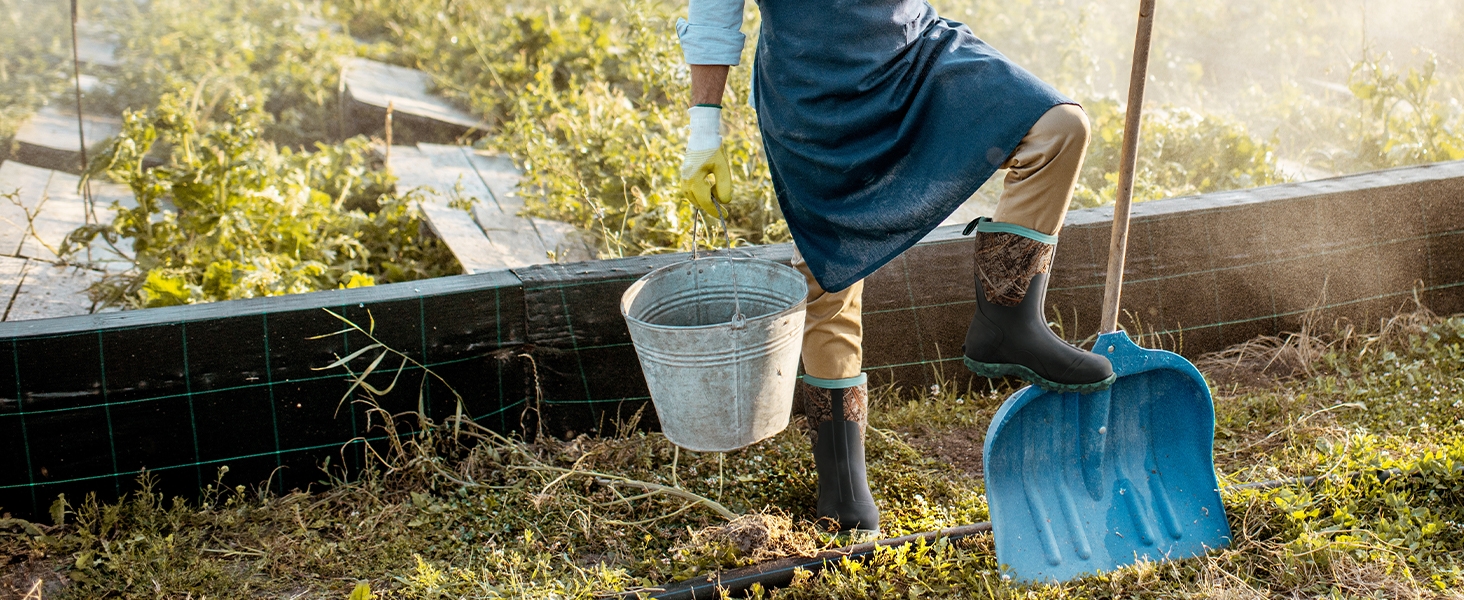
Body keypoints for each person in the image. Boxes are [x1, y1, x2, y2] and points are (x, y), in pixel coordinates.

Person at [678, 0, 1115, 534]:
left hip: (916, 55)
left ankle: (1008, 323)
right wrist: (704, 133)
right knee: (828, 272)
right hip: (816, 95)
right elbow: (713, 15)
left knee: (1058, 128)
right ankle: (841, 481)